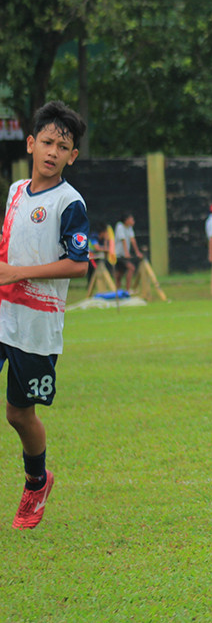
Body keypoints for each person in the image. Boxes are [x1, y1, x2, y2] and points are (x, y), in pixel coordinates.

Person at [2, 101, 90, 529]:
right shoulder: (15, 191)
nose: (54, 151)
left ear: (72, 157)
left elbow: (79, 264)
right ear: (31, 143)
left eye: (64, 146)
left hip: (36, 328)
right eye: (48, 142)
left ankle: (36, 482)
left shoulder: (70, 203)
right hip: (3, 313)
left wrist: (18, 273)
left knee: (19, 415)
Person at [113, 214, 143, 290]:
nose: (133, 221)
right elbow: (123, 240)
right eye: (131, 219)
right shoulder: (120, 226)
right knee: (130, 269)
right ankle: (126, 290)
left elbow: (132, 240)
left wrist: (137, 252)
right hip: (118, 255)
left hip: (124, 255)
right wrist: (126, 253)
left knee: (120, 273)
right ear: (126, 220)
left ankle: (122, 291)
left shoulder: (129, 228)